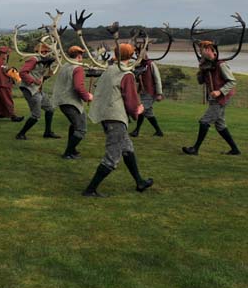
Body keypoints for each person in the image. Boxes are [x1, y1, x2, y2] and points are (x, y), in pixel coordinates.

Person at [82, 43, 153, 197]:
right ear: (131, 55)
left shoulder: (110, 69)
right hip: (116, 117)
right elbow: (130, 99)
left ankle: (139, 182)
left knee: (127, 148)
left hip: (106, 116)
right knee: (112, 156)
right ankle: (90, 190)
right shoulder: (126, 74)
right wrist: (137, 110)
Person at [182, 40, 241, 156]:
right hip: (214, 99)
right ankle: (235, 150)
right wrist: (200, 70)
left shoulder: (221, 64)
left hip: (221, 99)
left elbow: (232, 81)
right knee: (220, 125)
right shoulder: (206, 65)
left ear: (209, 50)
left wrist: (220, 92)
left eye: (202, 50)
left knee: (204, 122)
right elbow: (200, 81)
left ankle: (195, 149)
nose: (200, 52)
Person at [52, 46, 93, 157]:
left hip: (63, 101)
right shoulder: (77, 68)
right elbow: (78, 87)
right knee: (81, 129)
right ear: (79, 55)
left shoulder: (65, 65)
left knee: (75, 125)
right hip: (71, 102)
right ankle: (68, 152)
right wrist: (87, 96)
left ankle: (72, 150)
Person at [15, 43, 59, 140]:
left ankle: (47, 132)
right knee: (36, 115)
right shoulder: (33, 59)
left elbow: (40, 74)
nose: (47, 54)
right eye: (46, 52)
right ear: (41, 51)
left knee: (50, 109)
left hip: (38, 90)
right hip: (30, 89)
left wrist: (47, 75)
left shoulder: (43, 61)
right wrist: (34, 81)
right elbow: (22, 72)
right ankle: (21, 134)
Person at [129, 49, 164, 137]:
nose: (137, 55)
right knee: (148, 113)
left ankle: (136, 131)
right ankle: (159, 132)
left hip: (150, 92)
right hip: (143, 92)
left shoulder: (151, 64)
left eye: (139, 53)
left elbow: (157, 78)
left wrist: (159, 93)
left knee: (141, 110)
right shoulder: (139, 65)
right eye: (136, 53)